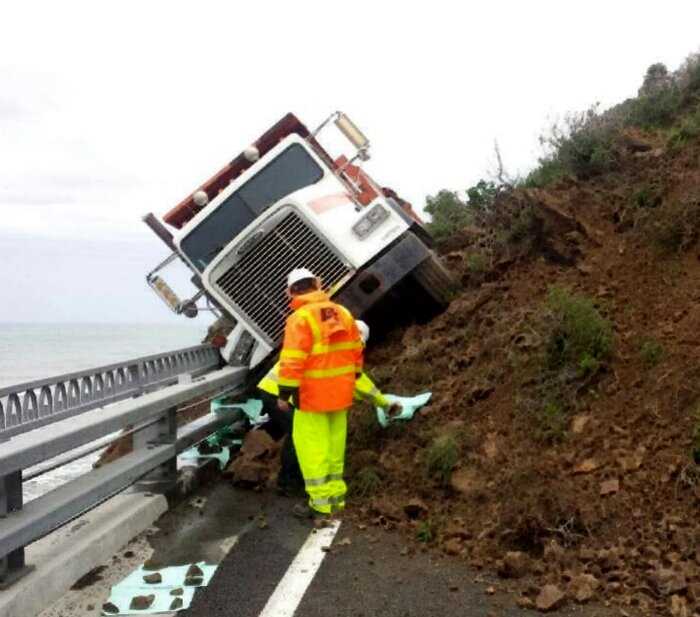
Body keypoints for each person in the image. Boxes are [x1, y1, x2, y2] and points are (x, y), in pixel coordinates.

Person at [256, 319, 397, 497]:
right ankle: (287, 482)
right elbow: (356, 380)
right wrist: (383, 402)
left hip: (276, 389)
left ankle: (292, 479)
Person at [277, 267, 363, 518]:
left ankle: (321, 504)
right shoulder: (342, 313)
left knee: (313, 452)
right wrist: (353, 376)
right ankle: (336, 498)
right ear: (318, 284)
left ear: (290, 292)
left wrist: (284, 394)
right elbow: (357, 349)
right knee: (335, 449)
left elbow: (293, 360)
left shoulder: (300, 319)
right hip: (341, 394)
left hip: (313, 398)